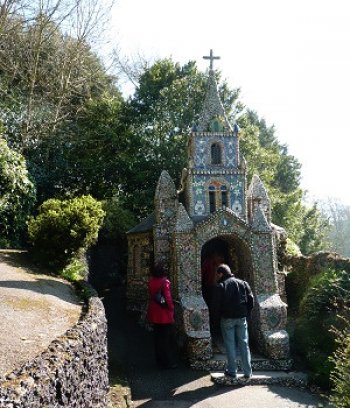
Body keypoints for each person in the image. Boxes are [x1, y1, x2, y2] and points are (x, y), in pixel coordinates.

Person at [212, 263, 254, 380]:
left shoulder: (221, 286)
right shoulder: (243, 283)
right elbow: (251, 299)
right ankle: (247, 372)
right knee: (244, 344)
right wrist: (247, 312)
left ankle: (232, 371)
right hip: (241, 317)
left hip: (227, 319)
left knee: (230, 345)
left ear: (221, 273)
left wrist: (216, 319)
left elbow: (216, 305)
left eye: (217, 274)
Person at [147, 263, 177, 369]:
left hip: (154, 311)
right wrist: (171, 307)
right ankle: (168, 362)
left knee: (157, 338)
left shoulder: (151, 281)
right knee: (167, 339)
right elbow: (168, 298)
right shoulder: (165, 282)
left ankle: (159, 360)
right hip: (164, 313)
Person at [201, 252, 224, 334]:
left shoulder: (219, 263)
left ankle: (215, 325)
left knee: (215, 306)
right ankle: (213, 326)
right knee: (212, 306)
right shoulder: (209, 262)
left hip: (215, 287)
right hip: (210, 287)